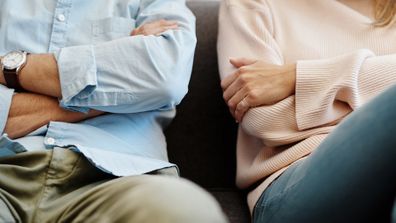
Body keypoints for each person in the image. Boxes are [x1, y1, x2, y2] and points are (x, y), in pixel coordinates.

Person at [0, 1, 228, 222]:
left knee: (188, 211)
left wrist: (7, 69)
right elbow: (147, 82)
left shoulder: (155, 3)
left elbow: (165, 78)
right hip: (6, 172)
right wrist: (119, 88)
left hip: (118, 178)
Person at [218, 0, 396, 222]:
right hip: (294, 184)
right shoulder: (254, 4)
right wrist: (376, 95)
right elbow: (263, 120)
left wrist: (298, 77)